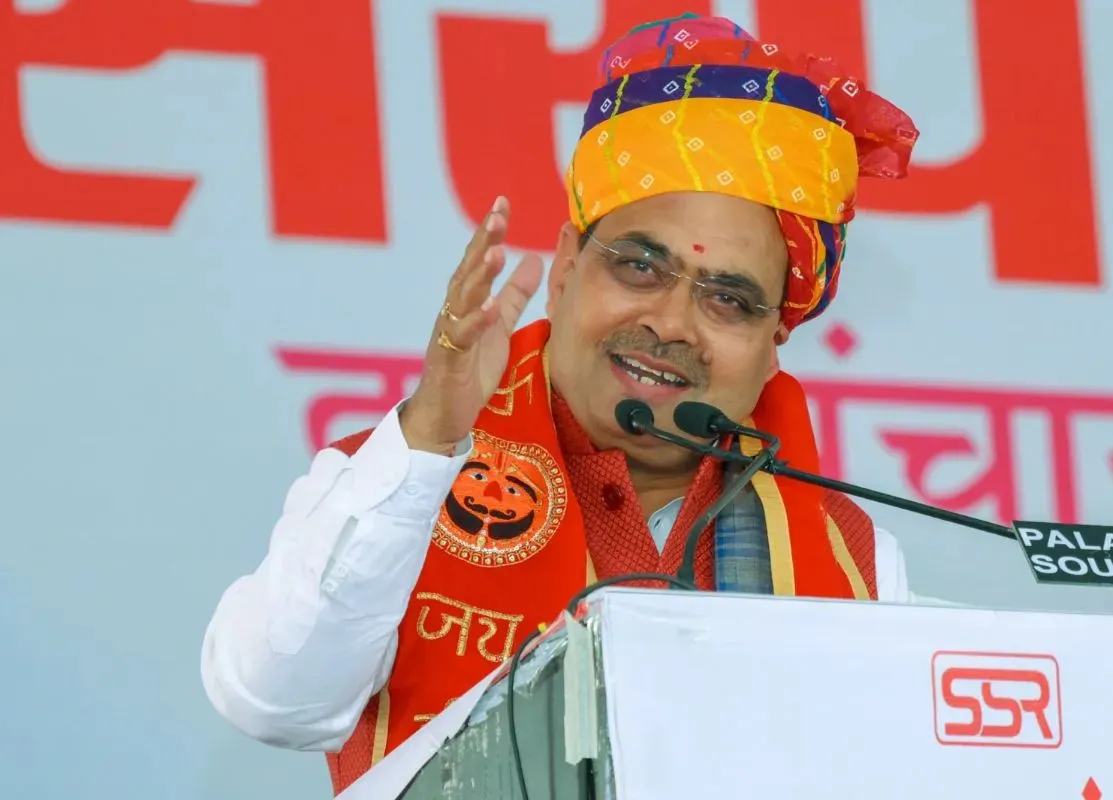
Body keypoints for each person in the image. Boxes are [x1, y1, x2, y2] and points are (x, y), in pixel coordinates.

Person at [201, 12, 920, 795]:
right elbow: (273, 699)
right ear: (568, 267)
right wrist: (432, 437)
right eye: (640, 267)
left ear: (774, 340)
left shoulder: (852, 559)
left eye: (728, 300)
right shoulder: (396, 483)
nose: (671, 323)